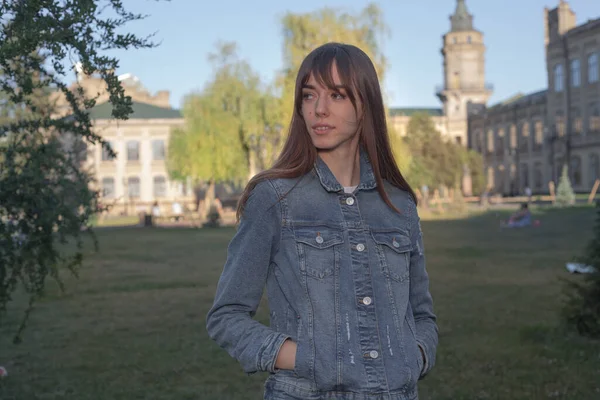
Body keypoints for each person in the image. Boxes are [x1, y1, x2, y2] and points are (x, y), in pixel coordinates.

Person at [206, 42, 438, 400]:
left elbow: (422, 315)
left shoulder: (399, 205)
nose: (319, 109)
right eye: (309, 95)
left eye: (337, 95)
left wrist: (415, 355)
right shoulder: (274, 198)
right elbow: (227, 316)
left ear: (366, 105)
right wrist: (308, 358)